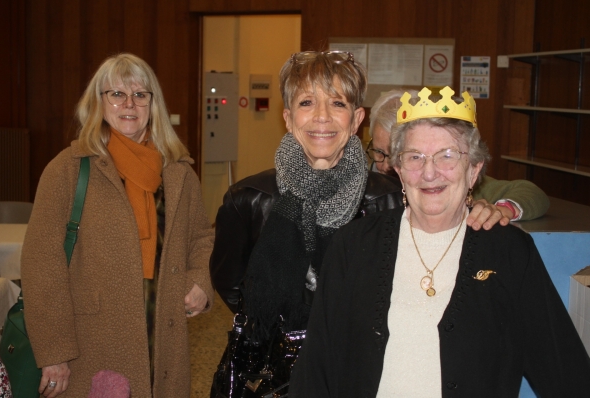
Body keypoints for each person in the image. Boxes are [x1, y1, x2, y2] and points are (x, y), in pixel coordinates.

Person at [210, 53, 508, 396]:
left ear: (356, 120)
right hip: (267, 378)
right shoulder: (247, 200)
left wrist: (489, 207)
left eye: (337, 103)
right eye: (307, 102)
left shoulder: (392, 200)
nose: (322, 116)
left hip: (363, 371)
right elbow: (231, 285)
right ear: (289, 118)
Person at [289, 87, 590, 397]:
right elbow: (315, 370)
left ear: (474, 171)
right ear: (400, 171)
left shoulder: (508, 252)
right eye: (415, 157)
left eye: (447, 156)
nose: (429, 172)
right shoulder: (353, 246)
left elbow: (565, 374)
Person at [21, 53, 214, 397]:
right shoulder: (67, 170)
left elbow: (201, 237)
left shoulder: (179, 171)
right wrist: (54, 352)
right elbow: (42, 266)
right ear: (99, 102)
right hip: (92, 340)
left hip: (164, 332)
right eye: (117, 94)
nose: (129, 104)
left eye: (140, 95)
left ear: (153, 104)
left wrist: (200, 279)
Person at [367, 89, 550, 226]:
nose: (386, 165)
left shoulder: (458, 183)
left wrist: (503, 209)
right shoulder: (361, 186)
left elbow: (530, 192)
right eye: (379, 152)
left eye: (412, 155)